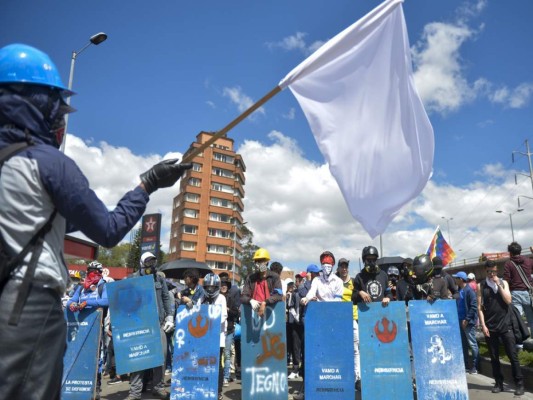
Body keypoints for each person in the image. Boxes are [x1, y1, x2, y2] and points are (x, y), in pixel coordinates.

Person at [0, 43, 191, 400]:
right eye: (57, 109)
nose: (60, 120)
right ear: (37, 105)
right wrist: (148, 182)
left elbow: (43, 222)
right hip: (27, 310)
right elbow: (107, 229)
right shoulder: (49, 164)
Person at [125, 252, 175, 400]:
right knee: (138, 357)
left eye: (153, 261)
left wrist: (169, 316)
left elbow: (166, 297)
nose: (151, 265)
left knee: (161, 356)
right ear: (142, 262)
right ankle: (135, 392)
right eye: (148, 262)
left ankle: (158, 388)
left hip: (158, 323)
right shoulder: (133, 278)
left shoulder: (159, 278)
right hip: (139, 325)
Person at [295, 252, 344, 399]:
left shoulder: (338, 281)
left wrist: (322, 305)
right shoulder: (316, 280)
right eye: (324, 264)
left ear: (333, 265)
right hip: (317, 321)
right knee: (312, 354)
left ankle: (334, 389)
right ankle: (308, 390)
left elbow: (338, 300)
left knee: (332, 354)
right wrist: (306, 299)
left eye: (329, 264)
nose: (326, 267)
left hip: (333, 321)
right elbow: (311, 293)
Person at [478, 260, 524, 395]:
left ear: (497, 270)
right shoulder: (481, 286)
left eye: (494, 271)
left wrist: (499, 285)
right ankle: (498, 383)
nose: (492, 274)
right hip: (490, 327)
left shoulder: (503, 283)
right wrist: (483, 325)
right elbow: (480, 308)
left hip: (506, 325)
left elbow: (508, 300)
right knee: (494, 357)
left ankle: (519, 383)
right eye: (489, 271)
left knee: (513, 356)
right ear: (485, 271)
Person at [336, 258, 361, 391]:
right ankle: (343, 376)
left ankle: (357, 377)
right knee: (341, 349)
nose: (344, 269)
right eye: (342, 266)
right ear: (338, 268)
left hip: (353, 318)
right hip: (339, 319)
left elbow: (358, 295)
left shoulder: (354, 281)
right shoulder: (335, 281)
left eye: (346, 266)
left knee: (355, 349)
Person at [202, 273, 227, 400]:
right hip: (204, 338)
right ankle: (205, 387)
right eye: (208, 287)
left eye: (212, 287)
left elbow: (223, 317)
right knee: (204, 363)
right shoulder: (202, 298)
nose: (210, 290)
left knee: (218, 365)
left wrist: (209, 323)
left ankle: (218, 390)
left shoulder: (221, 298)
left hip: (218, 338)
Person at [503, 241, 533, 347]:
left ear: (510, 253)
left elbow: (506, 280)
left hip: (515, 293)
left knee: (516, 319)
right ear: (520, 251)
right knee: (531, 318)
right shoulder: (528, 261)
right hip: (528, 293)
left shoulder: (508, 264)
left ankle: (519, 343)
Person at [240, 248, 283, 317]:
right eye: (256, 261)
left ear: (266, 262)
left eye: (261, 261)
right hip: (253, 314)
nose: (258, 263)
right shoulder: (250, 278)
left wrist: (265, 302)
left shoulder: (274, 277)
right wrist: (250, 300)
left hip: (271, 314)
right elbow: (243, 296)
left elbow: (278, 295)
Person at [452, 271, 479, 374]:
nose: (455, 280)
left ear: (461, 279)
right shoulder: (460, 290)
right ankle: (466, 365)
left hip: (467, 322)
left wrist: (467, 319)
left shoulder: (469, 291)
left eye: (456, 278)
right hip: (460, 321)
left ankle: (475, 366)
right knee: (464, 344)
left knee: (472, 344)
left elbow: (473, 306)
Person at [219, 275, 239, 386]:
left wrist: (228, 310)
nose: (223, 286)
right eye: (222, 284)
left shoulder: (231, 298)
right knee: (217, 354)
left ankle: (226, 377)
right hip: (217, 330)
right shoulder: (215, 298)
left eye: (225, 285)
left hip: (229, 329)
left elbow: (236, 313)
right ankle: (217, 376)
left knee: (227, 354)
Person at [285, 278, 301, 380]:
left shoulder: (301, 293)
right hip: (291, 323)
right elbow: (289, 306)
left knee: (297, 347)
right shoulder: (292, 294)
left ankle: (297, 369)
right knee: (293, 346)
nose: (293, 285)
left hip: (299, 323)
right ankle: (295, 368)